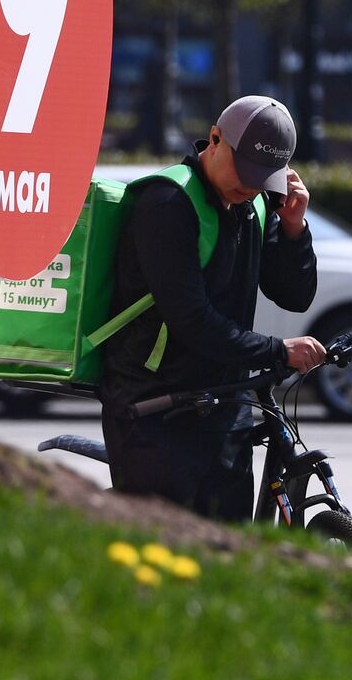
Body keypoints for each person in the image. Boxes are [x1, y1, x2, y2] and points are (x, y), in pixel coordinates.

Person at [99, 95, 325, 521]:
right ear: (216, 139)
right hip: (156, 411)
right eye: (245, 171)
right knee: (159, 548)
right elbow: (192, 321)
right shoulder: (168, 205)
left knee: (228, 553)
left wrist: (295, 229)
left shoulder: (255, 204)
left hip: (226, 408)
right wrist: (278, 351)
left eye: (264, 178)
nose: (251, 186)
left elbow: (294, 296)